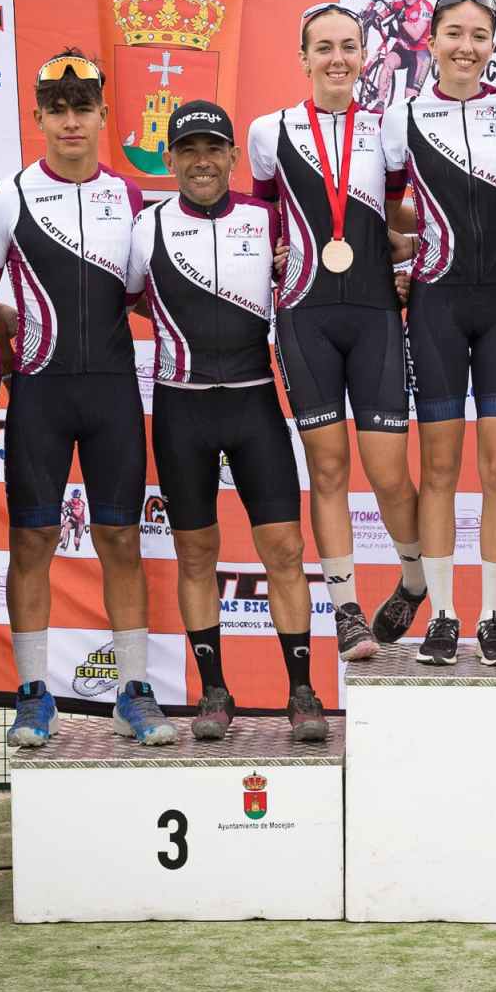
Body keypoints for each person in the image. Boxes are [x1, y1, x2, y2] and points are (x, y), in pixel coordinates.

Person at [0, 50, 176, 747]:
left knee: (120, 536)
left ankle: (133, 691)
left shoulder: (131, 197)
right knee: (32, 538)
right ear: (39, 117)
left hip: (113, 390)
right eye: (58, 109)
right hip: (41, 393)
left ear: (103, 115)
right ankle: (32, 694)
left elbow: (145, 295)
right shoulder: (7, 197)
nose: (72, 121)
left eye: (84, 107)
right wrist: (22, 345)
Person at [129, 100, 329, 743]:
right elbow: (133, 296)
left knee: (286, 551)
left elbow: (309, 279)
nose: (202, 162)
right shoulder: (146, 226)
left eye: (213, 149)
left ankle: (302, 693)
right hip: (182, 405)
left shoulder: (267, 218)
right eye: (188, 150)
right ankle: (214, 691)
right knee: (196, 553)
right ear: (171, 160)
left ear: (233, 157)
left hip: (253, 402)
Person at [247, 4, 426, 664]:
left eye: (349, 47)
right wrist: (270, 253)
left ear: (365, 55)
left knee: (389, 475)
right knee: (326, 469)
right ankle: (347, 610)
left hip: (376, 312)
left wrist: (412, 253)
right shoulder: (270, 131)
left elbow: (403, 212)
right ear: (303, 56)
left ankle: (413, 581)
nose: (337, 59)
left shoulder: (386, 132)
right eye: (323, 47)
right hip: (304, 315)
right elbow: (266, 214)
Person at [382, 0, 496, 667]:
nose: (467, 47)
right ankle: (442, 614)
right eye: (454, 34)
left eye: (480, 35)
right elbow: (379, 213)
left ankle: (495, 617)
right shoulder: (403, 114)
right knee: (438, 468)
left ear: (493, 44)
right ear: (431, 41)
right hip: (437, 304)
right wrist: (403, 258)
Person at [370, 0, 434, 109]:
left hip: (420, 54)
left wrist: (402, 19)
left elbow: (416, 35)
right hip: (402, 48)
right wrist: (378, 18)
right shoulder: (398, 1)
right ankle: (380, 102)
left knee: (409, 100)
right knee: (388, 62)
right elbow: (386, 12)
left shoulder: (426, 8)